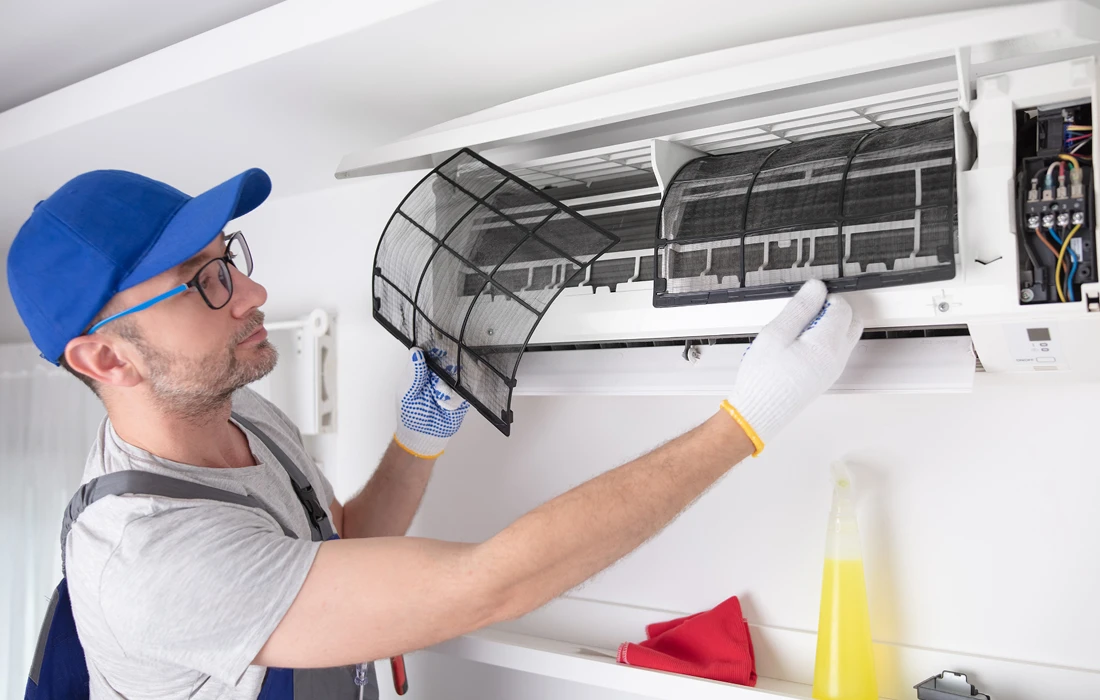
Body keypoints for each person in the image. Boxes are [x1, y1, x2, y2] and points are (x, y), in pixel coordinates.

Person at [6, 168, 862, 700]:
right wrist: (744, 423)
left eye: (230, 256)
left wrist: (419, 438)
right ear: (106, 360)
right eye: (206, 284)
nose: (251, 295)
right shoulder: (154, 562)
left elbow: (336, 547)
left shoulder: (236, 412)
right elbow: (481, 588)